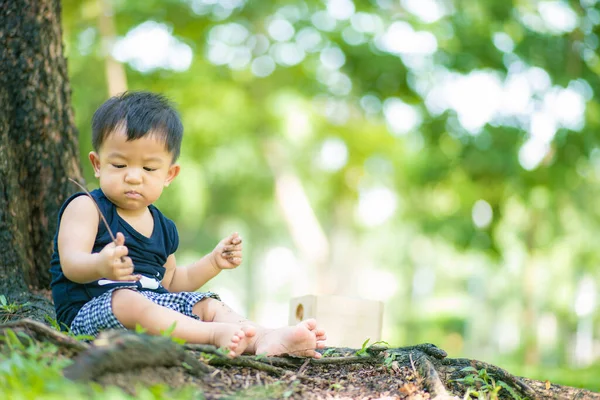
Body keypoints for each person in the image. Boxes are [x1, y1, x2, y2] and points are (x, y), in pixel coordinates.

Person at [50, 91, 326, 358]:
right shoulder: (87, 207)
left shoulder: (164, 227)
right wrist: (100, 265)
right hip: (91, 313)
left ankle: (266, 337)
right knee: (128, 300)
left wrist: (213, 262)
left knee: (208, 304)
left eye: (148, 169)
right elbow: (71, 263)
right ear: (97, 165)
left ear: (169, 174)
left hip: (152, 311)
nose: (134, 177)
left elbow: (172, 283)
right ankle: (212, 336)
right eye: (120, 165)